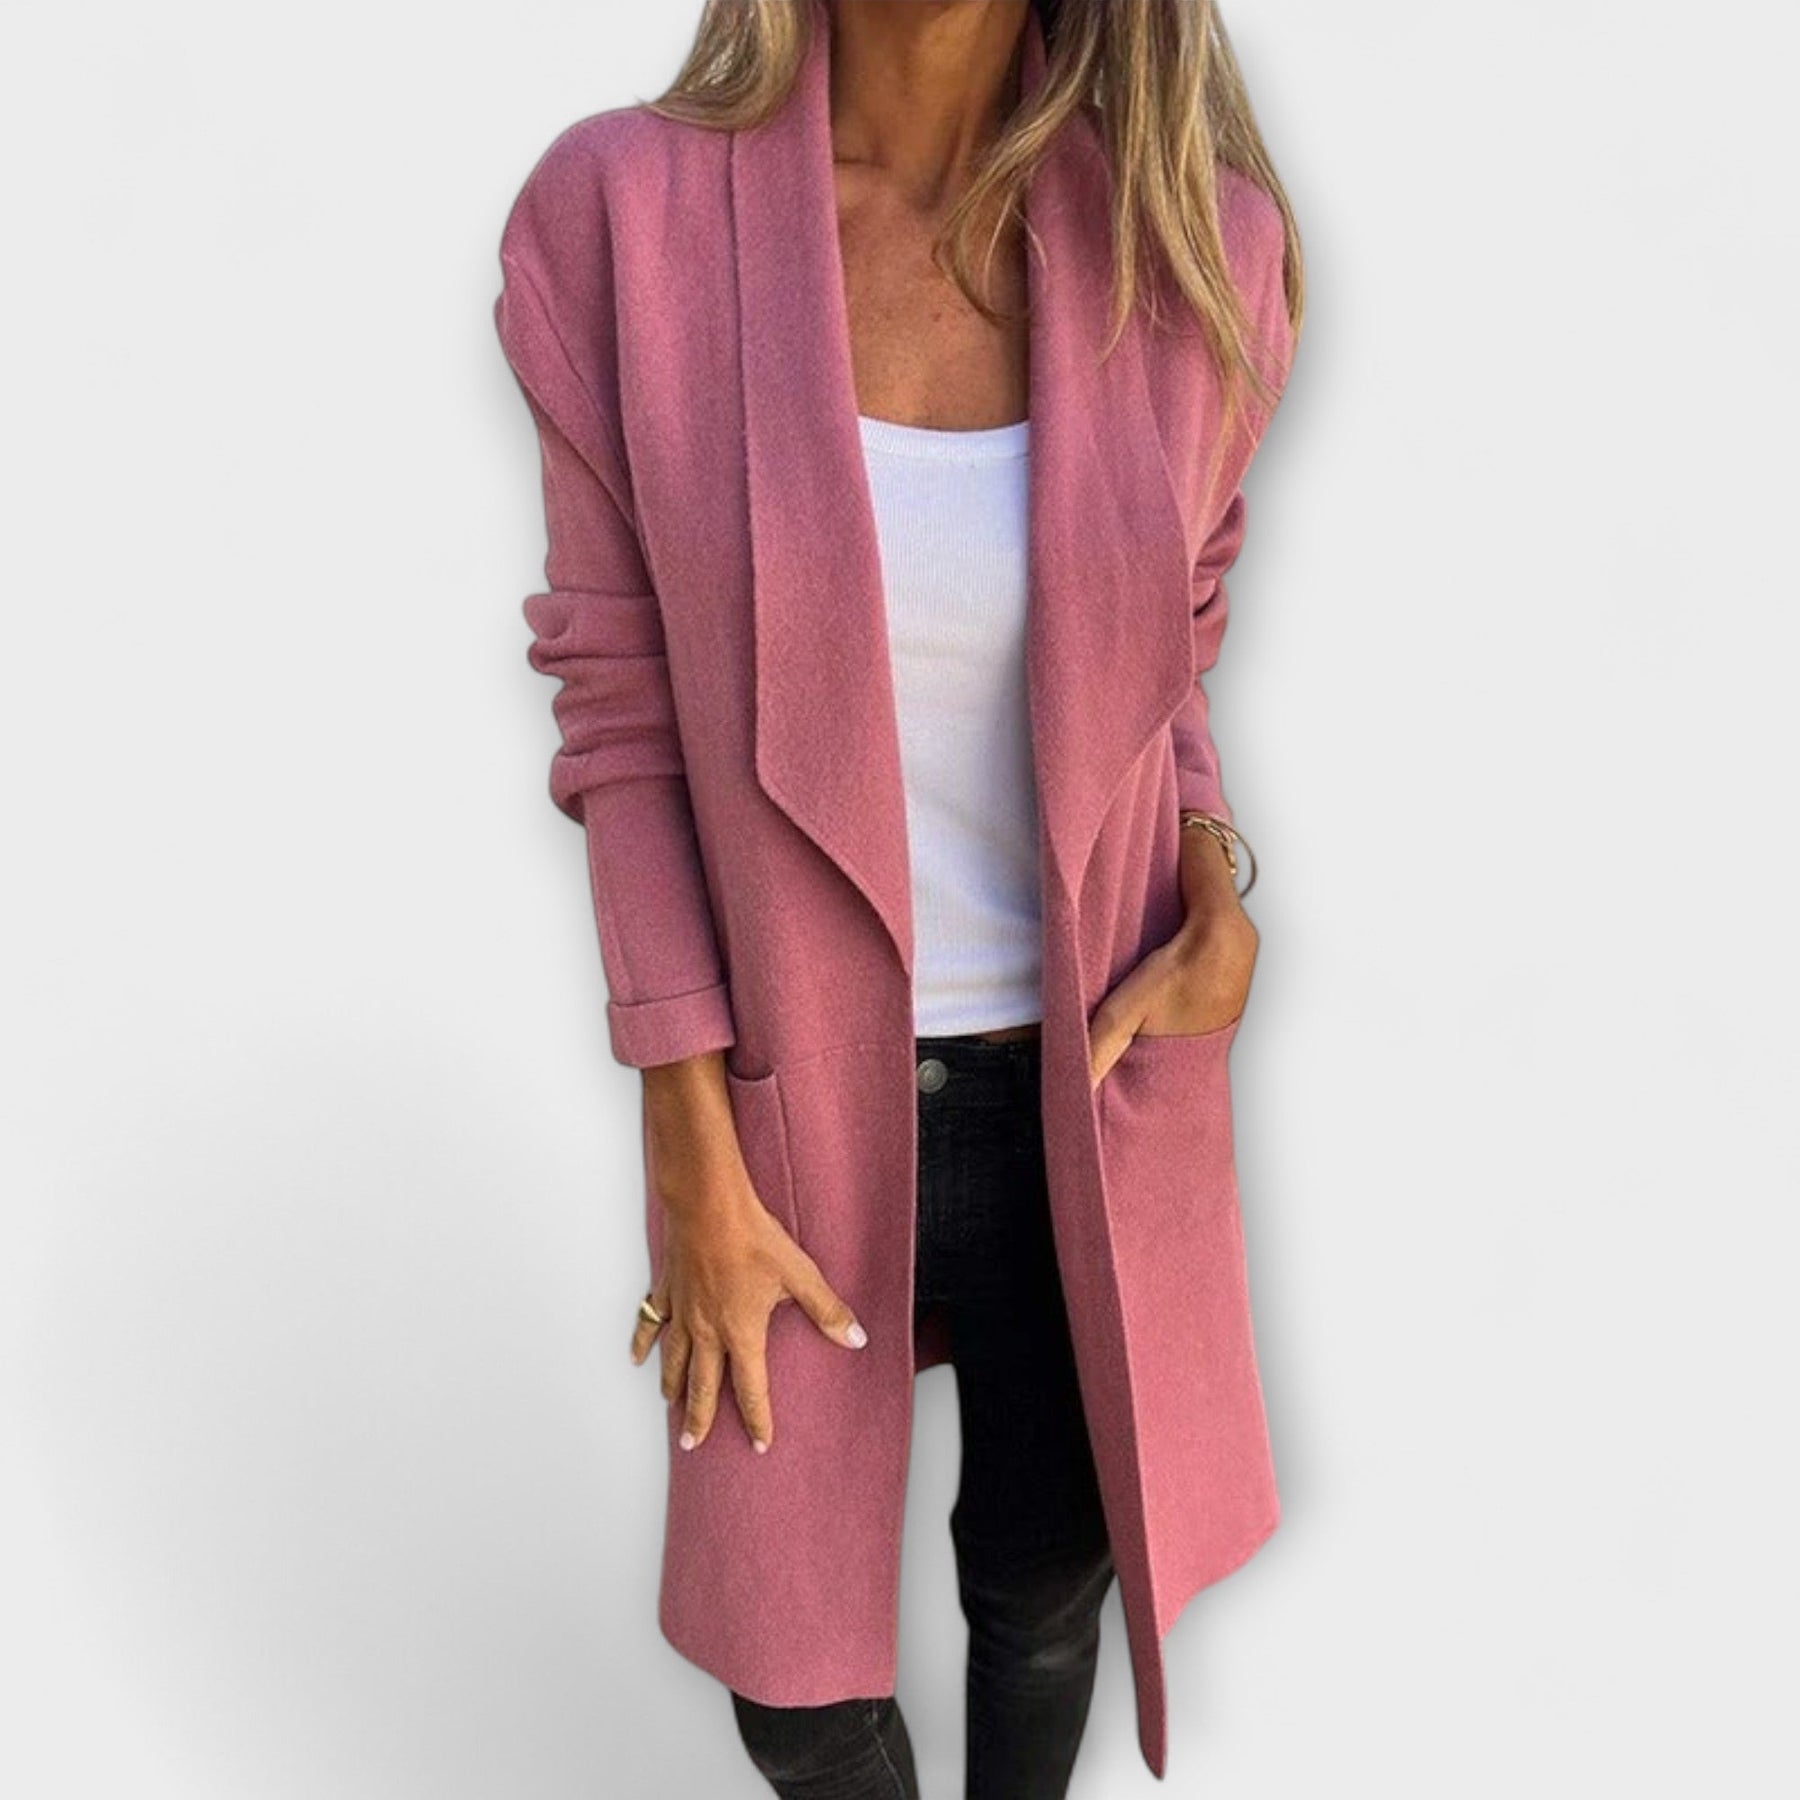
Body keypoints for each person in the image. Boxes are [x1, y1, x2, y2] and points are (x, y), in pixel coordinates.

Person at [494, 1, 1303, 1793]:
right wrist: (688, 1139)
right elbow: (621, 710)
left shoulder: (1199, 248)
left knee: (1045, 1590)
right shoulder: (620, 220)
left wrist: (1216, 884)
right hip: (792, 1105)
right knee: (795, 1690)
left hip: (1095, 1085)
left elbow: (1171, 647)